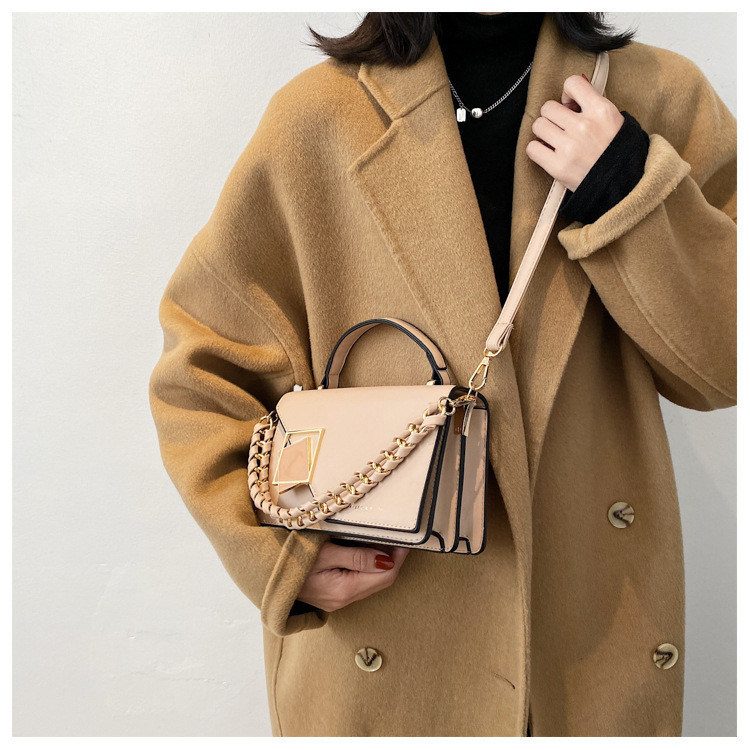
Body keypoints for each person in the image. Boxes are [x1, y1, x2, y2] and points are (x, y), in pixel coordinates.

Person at [149, 12, 736, 737]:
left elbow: (723, 370)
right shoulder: (316, 119)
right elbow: (202, 370)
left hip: (590, 629)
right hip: (388, 635)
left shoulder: (662, 96)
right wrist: (281, 552)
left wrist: (627, 190)